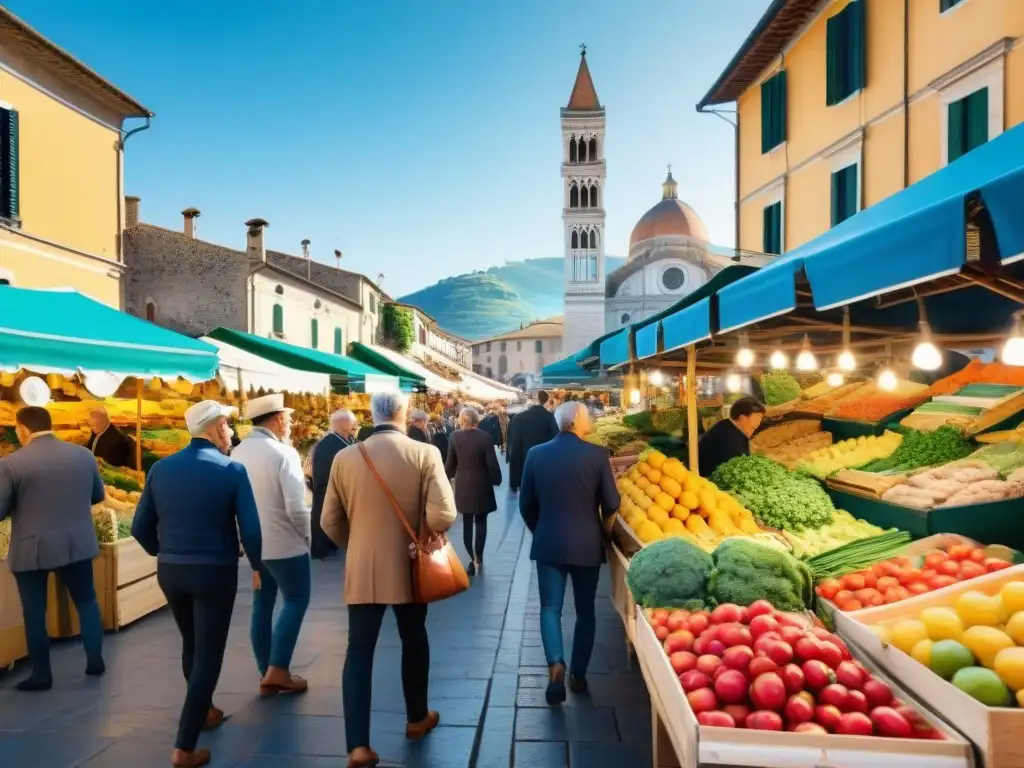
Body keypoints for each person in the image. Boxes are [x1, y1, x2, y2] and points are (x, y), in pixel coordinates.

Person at [321, 391, 457, 768]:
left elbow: (328, 521)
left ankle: (358, 746)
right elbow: (444, 514)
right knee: (414, 638)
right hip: (411, 566)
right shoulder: (424, 453)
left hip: (363, 567)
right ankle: (416, 719)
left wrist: (360, 545)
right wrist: (423, 532)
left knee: (359, 651)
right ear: (401, 414)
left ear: (371, 415)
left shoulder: (344, 457)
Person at [131, 400, 262, 768]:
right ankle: (184, 746)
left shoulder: (160, 469)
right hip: (214, 570)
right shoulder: (232, 470)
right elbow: (250, 529)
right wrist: (257, 565)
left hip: (171, 571)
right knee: (208, 653)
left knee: (191, 642)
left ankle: (203, 710)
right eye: (228, 426)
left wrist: (167, 551)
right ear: (217, 427)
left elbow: (140, 528)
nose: (232, 432)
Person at [519, 401, 620, 706]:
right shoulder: (597, 455)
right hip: (587, 543)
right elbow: (612, 502)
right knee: (585, 610)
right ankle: (578, 673)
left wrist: (541, 529)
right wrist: (603, 531)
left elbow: (526, 504)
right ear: (576, 420)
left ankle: (555, 665)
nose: (590, 419)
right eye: (587, 416)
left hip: (549, 542)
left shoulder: (535, 454)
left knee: (550, 608)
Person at [0, 406, 106, 691]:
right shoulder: (83, 455)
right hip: (77, 541)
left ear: (23, 428)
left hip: (32, 547)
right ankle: (95, 660)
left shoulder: (11, 463)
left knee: (35, 612)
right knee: (86, 602)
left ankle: (42, 675)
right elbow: (98, 496)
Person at [231, 394, 312, 697]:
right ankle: (278, 669)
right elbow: (296, 505)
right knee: (296, 599)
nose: (290, 423)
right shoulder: (283, 452)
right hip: (284, 543)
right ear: (277, 419)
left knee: (262, 605)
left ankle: (265, 669)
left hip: (254, 545)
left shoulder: (236, 453)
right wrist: (307, 538)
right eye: (288, 418)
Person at [445, 407, 502, 575]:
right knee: (482, 521)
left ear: (462, 420)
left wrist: (443, 478)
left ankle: (470, 556)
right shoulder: (485, 437)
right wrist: (496, 479)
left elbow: (450, 463)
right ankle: (479, 556)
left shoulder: (455, 437)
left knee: (467, 522)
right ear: (477, 420)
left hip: (463, 484)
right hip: (482, 483)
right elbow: (491, 462)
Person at [309, 409, 357, 560]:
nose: (356, 425)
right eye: (353, 422)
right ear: (345, 424)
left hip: (325, 490)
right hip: (328, 491)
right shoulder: (335, 444)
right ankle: (326, 547)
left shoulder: (330, 441)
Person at [697, 396, 766, 478]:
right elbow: (734, 472)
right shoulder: (730, 437)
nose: (760, 421)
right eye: (758, 416)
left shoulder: (728, 427)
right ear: (743, 417)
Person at [507, 391, 558, 492]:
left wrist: (514, 481)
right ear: (546, 401)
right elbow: (556, 442)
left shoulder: (518, 418)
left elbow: (513, 448)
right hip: (544, 468)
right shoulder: (549, 417)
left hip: (523, 468)